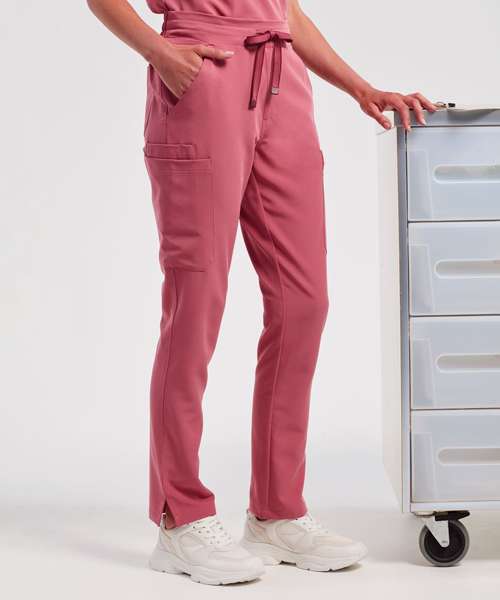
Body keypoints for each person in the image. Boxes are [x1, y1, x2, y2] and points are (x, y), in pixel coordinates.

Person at [87, 0, 437, 586]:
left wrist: (361, 88)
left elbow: (286, 11)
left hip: (285, 83)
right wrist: (160, 52)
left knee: (305, 302)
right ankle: (179, 518)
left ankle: (276, 512)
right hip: (203, 74)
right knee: (196, 304)